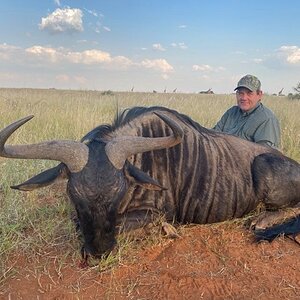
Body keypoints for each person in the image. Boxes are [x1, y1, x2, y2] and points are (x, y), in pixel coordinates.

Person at [213, 74, 280, 148]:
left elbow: (265, 154)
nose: (244, 98)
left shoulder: (267, 119)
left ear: (259, 95)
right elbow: (213, 135)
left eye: (249, 93)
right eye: (240, 93)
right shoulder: (231, 112)